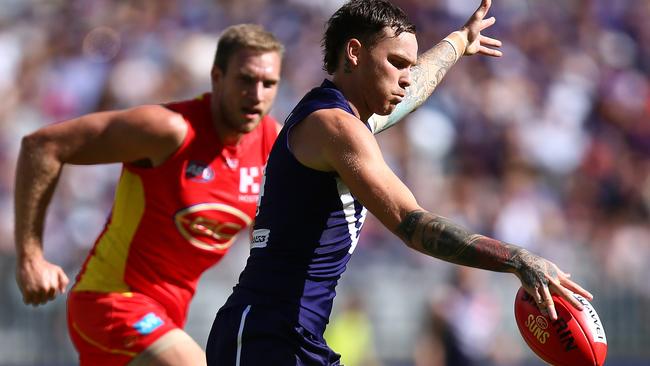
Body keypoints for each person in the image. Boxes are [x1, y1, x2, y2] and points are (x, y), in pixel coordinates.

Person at [15, 12, 497, 365]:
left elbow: (398, 96)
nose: (258, 95)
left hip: (182, 315)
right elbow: (42, 145)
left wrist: (457, 41)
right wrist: (31, 255)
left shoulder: (276, 141)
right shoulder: (169, 129)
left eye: (269, 84)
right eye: (246, 80)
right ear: (217, 77)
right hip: (113, 301)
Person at [205, 1, 593, 365]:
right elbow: (412, 224)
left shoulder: (341, 116)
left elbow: (415, 86)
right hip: (265, 336)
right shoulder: (335, 126)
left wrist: (459, 41)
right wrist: (516, 259)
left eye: (407, 66)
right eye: (395, 63)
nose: (406, 79)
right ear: (354, 53)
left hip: (288, 334)